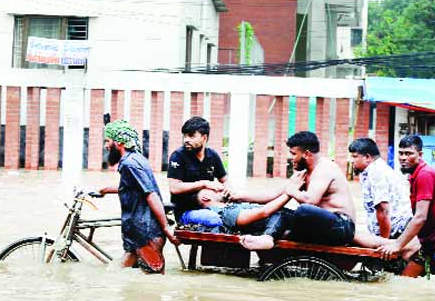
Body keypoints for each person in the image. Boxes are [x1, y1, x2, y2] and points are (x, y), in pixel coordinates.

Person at [377, 134, 435, 284]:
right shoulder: (415, 175)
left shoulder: (424, 175)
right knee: (403, 283)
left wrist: (398, 244)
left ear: (420, 155)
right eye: (401, 153)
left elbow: (420, 217)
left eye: (409, 153)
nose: (403, 157)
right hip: (429, 244)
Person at [98, 119, 180, 274]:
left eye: (108, 141)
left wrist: (166, 228)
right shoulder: (133, 160)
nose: (106, 146)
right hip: (137, 234)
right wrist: (104, 190)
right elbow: (131, 188)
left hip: (146, 234)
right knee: (118, 274)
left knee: (151, 284)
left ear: (120, 142)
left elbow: (151, 195)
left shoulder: (131, 164)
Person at [349, 138, 420, 265]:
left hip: (396, 232)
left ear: (367, 157)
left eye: (354, 157)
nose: (351, 160)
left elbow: (383, 210)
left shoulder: (376, 172)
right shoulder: (370, 171)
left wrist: (383, 242)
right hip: (396, 231)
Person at [195, 178, 301, 250]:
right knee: (280, 213)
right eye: (214, 190)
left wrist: (239, 197)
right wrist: (291, 192)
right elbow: (264, 212)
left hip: (284, 221)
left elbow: (267, 198)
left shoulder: (230, 207)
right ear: (206, 198)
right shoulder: (227, 212)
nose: (219, 189)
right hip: (281, 219)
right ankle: (268, 237)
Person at [167, 116, 229, 219]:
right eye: (185, 136)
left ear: (204, 138)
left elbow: (225, 179)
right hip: (186, 210)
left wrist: (228, 188)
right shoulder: (178, 156)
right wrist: (204, 184)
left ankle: (234, 213)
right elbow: (174, 188)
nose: (186, 140)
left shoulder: (212, 155)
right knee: (208, 204)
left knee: (230, 197)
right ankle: (230, 216)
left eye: (191, 136)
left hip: (209, 202)